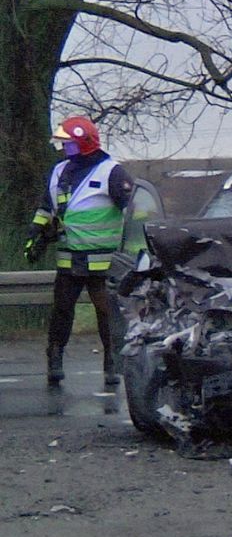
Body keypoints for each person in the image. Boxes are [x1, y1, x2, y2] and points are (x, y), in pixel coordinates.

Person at [25, 116, 134, 386]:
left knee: (107, 313)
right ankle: (54, 358)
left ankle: (112, 362)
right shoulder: (59, 171)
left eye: (69, 144)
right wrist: (35, 233)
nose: (65, 149)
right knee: (62, 311)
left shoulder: (112, 172)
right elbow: (46, 208)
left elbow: (133, 211)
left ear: (84, 143)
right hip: (69, 257)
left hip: (104, 261)